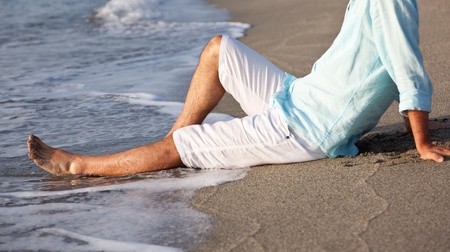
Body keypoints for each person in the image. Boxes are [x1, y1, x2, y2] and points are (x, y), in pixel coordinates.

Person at [28, 0, 450, 176]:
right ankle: (171, 139)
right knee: (219, 50)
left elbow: (406, 69)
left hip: (305, 129)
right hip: (297, 95)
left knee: (185, 147)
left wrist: (423, 142)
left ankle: (79, 167)